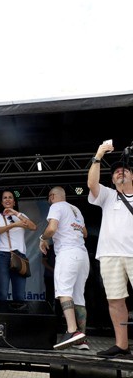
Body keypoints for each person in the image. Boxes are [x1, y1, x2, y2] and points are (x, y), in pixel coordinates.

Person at [88, 141, 133, 357]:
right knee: (115, 300)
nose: (119, 173)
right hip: (109, 255)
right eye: (115, 172)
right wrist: (98, 155)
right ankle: (122, 345)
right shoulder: (107, 195)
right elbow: (91, 183)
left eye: (124, 170)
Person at [39, 186, 89, 350]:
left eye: (49, 197)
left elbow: (52, 228)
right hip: (82, 254)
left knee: (64, 292)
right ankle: (81, 339)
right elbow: (85, 233)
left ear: (52, 196)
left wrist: (42, 237)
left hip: (67, 254)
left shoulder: (56, 206)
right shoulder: (76, 210)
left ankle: (72, 331)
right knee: (79, 297)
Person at [0, 190, 37, 301]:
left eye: (10, 197)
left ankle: (18, 317)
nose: (7, 199)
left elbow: (33, 227)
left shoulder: (21, 216)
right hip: (2, 255)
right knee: (2, 292)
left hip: (19, 256)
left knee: (20, 294)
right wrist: (14, 225)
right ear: (1, 202)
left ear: (14, 202)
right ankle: (1, 318)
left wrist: (16, 214)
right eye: (5, 198)